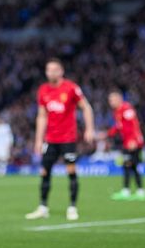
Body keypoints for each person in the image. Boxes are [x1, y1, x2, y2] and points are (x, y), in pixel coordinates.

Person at [25, 58, 95, 221]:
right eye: (48, 70)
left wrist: (90, 128)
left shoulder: (71, 88)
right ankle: (43, 207)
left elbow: (86, 107)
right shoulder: (43, 90)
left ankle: (72, 207)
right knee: (44, 172)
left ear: (61, 71)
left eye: (55, 69)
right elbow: (41, 116)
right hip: (50, 140)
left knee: (71, 171)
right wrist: (38, 139)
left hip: (68, 139)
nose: (51, 72)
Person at [107, 91, 145, 201]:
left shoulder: (127, 109)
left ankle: (128, 191)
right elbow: (119, 127)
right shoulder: (118, 111)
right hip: (128, 142)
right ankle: (139, 191)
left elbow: (134, 125)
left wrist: (133, 140)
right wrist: (108, 133)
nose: (110, 102)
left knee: (128, 165)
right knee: (132, 166)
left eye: (112, 100)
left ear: (119, 99)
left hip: (133, 143)